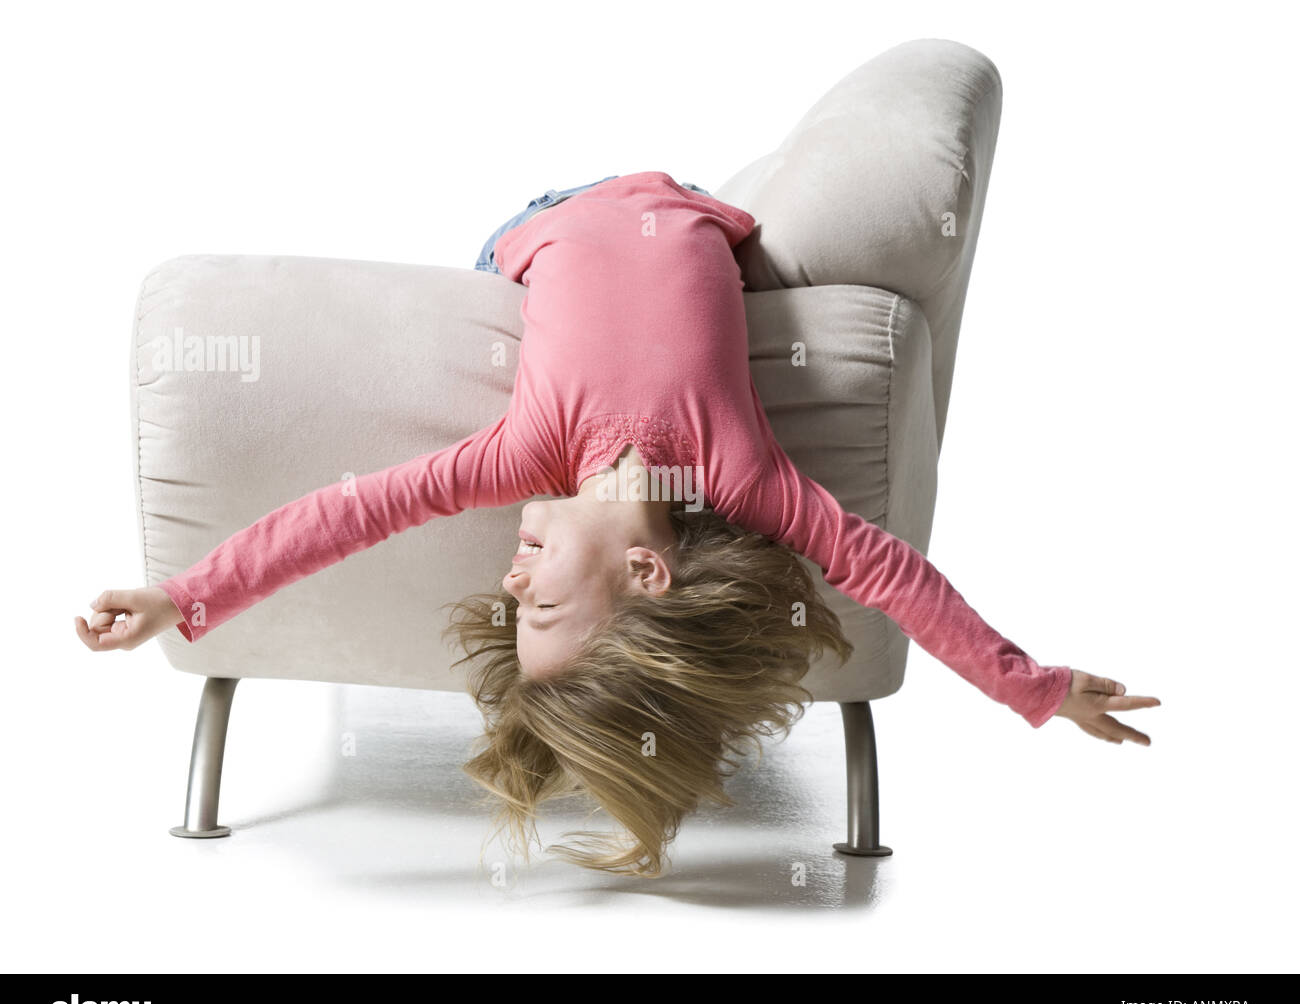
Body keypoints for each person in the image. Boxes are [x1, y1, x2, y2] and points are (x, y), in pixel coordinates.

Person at [75, 171, 1161, 877]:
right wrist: (1036, 685)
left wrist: (184, 592)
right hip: (679, 207)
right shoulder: (742, 474)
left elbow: (349, 514)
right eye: (543, 603)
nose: (509, 584)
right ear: (649, 568)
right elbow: (896, 579)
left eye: (516, 609)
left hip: (539, 226)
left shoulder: (520, 456)